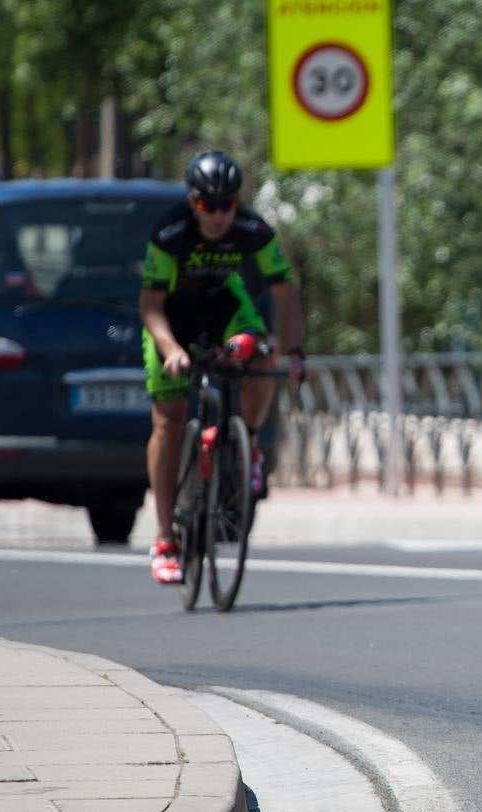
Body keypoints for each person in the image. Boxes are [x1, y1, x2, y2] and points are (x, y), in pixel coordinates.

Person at [140, 150, 305, 584]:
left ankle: (245, 442)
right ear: (193, 202)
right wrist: (172, 349)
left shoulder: (253, 230)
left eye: (227, 205)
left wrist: (296, 353)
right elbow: (150, 305)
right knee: (167, 423)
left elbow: (285, 292)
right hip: (171, 322)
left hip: (224, 310)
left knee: (261, 351)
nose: (217, 215)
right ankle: (163, 539)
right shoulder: (170, 232)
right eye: (207, 206)